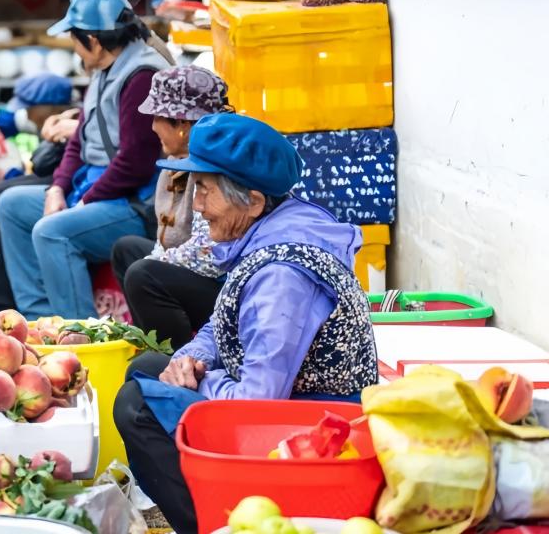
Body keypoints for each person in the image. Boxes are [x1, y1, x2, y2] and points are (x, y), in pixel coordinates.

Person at [112, 113, 379, 534]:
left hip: (322, 425)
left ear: (253, 201)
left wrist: (199, 383)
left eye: (204, 190)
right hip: (292, 401)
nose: (197, 206)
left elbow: (259, 400)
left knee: (136, 405)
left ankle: (218, 524)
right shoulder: (268, 231)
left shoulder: (281, 277)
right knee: (147, 367)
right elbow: (222, 323)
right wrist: (192, 359)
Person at [0, 0, 169, 320]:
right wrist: (58, 188)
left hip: (134, 205)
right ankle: (40, 320)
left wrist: (84, 200)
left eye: (74, 39)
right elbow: (79, 139)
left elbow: (136, 162)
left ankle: (77, 334)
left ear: (92, 40)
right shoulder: (104, 68)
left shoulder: (141, 76)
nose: (74, 49)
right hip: (94, 192)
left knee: (52, 231)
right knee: (11, 205)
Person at [109, 66, 231, 347]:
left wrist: (152, 264)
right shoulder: (172, 165)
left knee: (142, 273)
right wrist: (155, 259)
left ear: (183, 126)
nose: (152, 127)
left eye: (157, 118)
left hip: (226, 286)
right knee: (126, 250)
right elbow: (164, 244)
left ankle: (171, 353)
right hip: (191, 268)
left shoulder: (216, 171)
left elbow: (209, 255)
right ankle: (147, 334)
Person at [0, 74, 77, 311]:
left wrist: (10, 176)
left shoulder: (68, 124)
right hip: (57, 179)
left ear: (50, 108)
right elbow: (7, 121)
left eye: (30, 108)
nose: (27, 115)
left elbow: (61, 169)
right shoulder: (40, 119)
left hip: (69, 184)